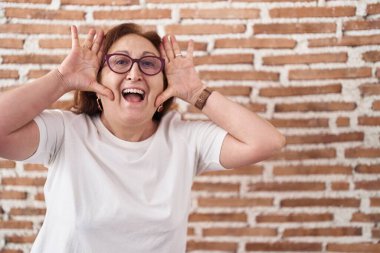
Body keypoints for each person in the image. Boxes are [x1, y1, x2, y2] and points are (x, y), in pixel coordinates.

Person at [0, 23, 285, 253]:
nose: (135, 73)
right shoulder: (65, 132)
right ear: (97, 81)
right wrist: (62, 79)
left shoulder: (184, 139)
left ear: (164, 86)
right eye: (120, 62)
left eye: (149, 64)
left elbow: (267, 141)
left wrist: (196, 92)